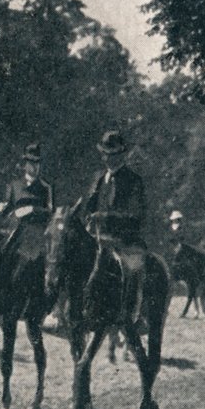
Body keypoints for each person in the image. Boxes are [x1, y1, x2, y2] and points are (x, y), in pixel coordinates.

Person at [81, 130, 148, 324]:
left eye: (112, 155)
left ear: (122, 155)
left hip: (123, 239)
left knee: (134, 268)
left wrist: (106, 217)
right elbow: (88, 207)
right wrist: (88, 219)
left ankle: (134, 315)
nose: (107, 159)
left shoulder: (134, 180)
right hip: (97, 237)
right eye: (105, 154)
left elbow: (137, 215)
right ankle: (68, 310)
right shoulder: (99, 178)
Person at [0, 143, 54, 272]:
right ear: (25, 164)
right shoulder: (14, 186)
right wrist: (1, 207)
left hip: (36, 235)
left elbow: (50, 213)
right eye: (32, 163)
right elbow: (8, 209)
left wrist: (32, 209)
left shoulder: (46, 187)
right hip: (16, 232)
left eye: (37, 163)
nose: (35, 167)